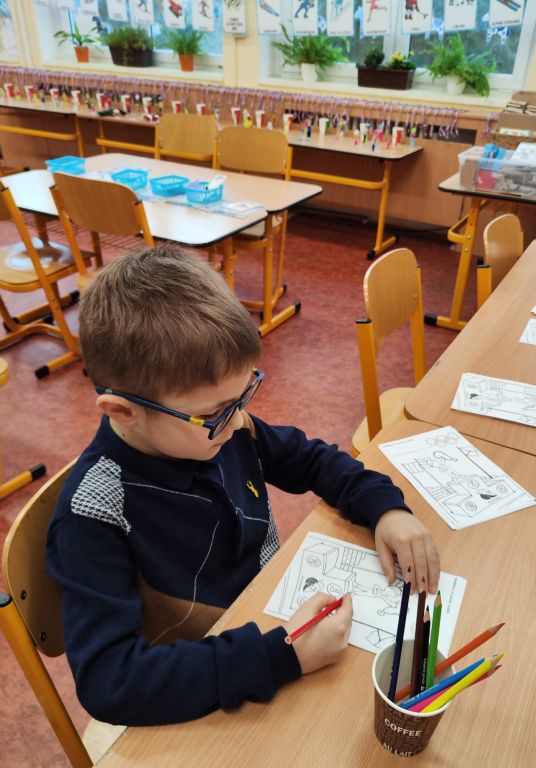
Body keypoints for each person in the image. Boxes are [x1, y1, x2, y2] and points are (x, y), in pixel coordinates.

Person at [47, 245, 440, 726]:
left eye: (243, 397)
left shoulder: (222, 428)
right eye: (216, 413)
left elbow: (312, 460)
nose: (237, 424)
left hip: (272, 619)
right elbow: (112, 683)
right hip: (209, 678)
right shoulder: (92, 514)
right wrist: (283, 655)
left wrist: (385, 507)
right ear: (122, 411)